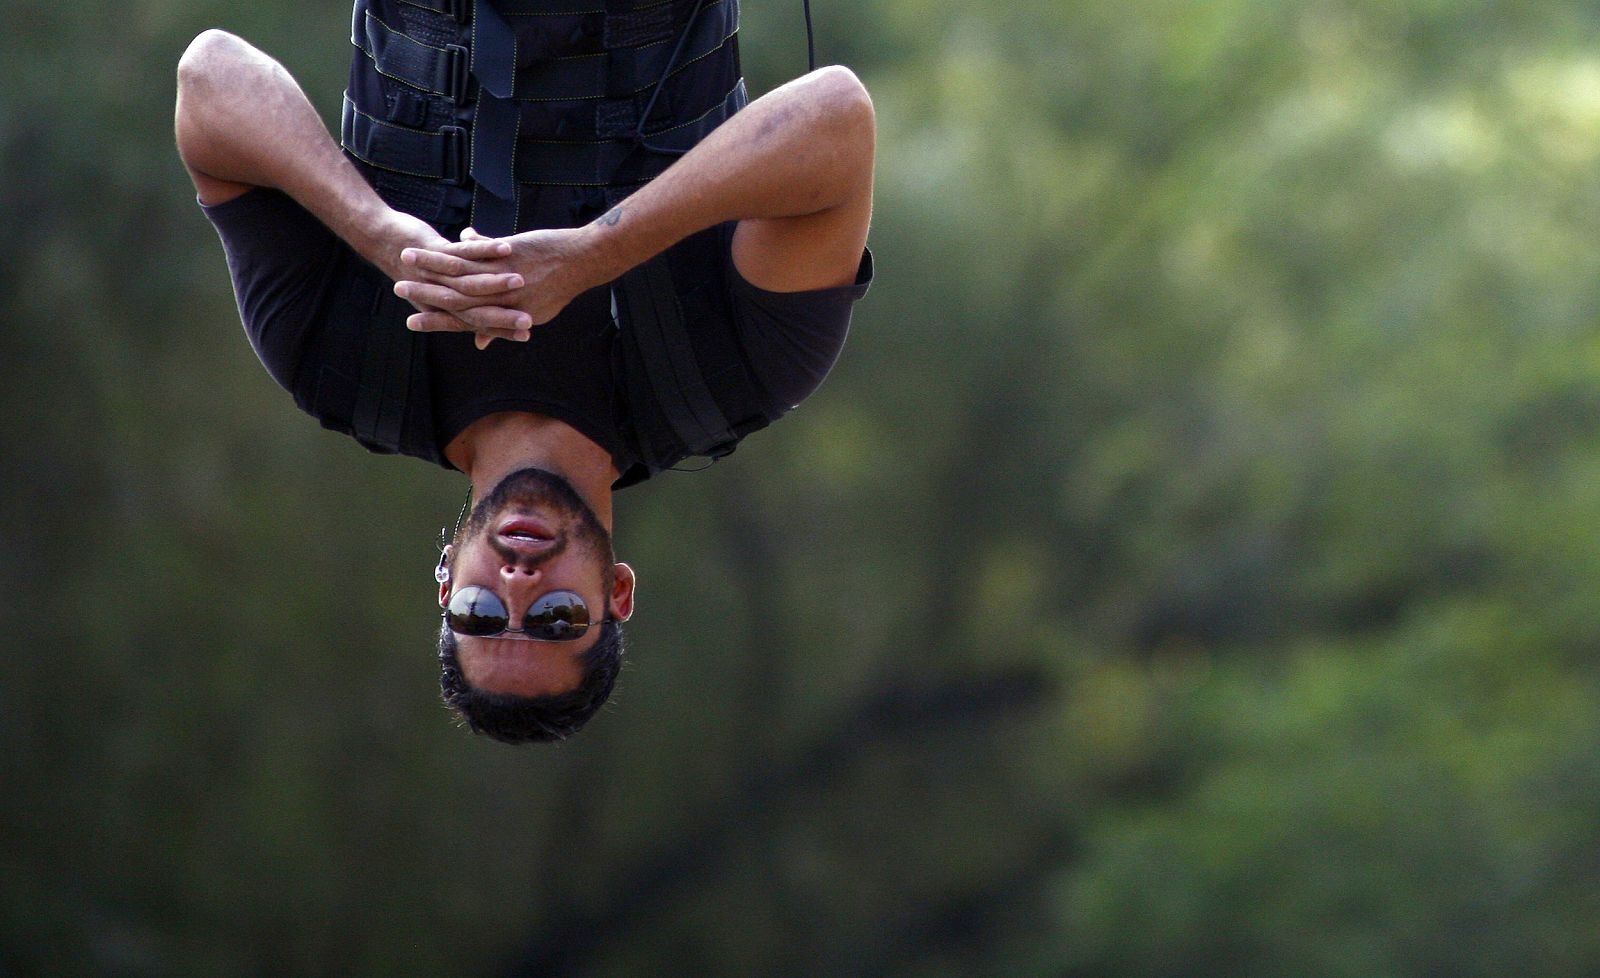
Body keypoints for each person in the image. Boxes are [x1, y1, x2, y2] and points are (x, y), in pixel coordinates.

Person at [172, 0, 875, 744]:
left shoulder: (340, 366)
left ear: (446, 581)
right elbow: (837, 118)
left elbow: (208, 75)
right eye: (556, 620)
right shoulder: (730, 376)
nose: (517, 586)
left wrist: (379, 235)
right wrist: (594, 254)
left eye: (480, 616)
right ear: (619, 591)